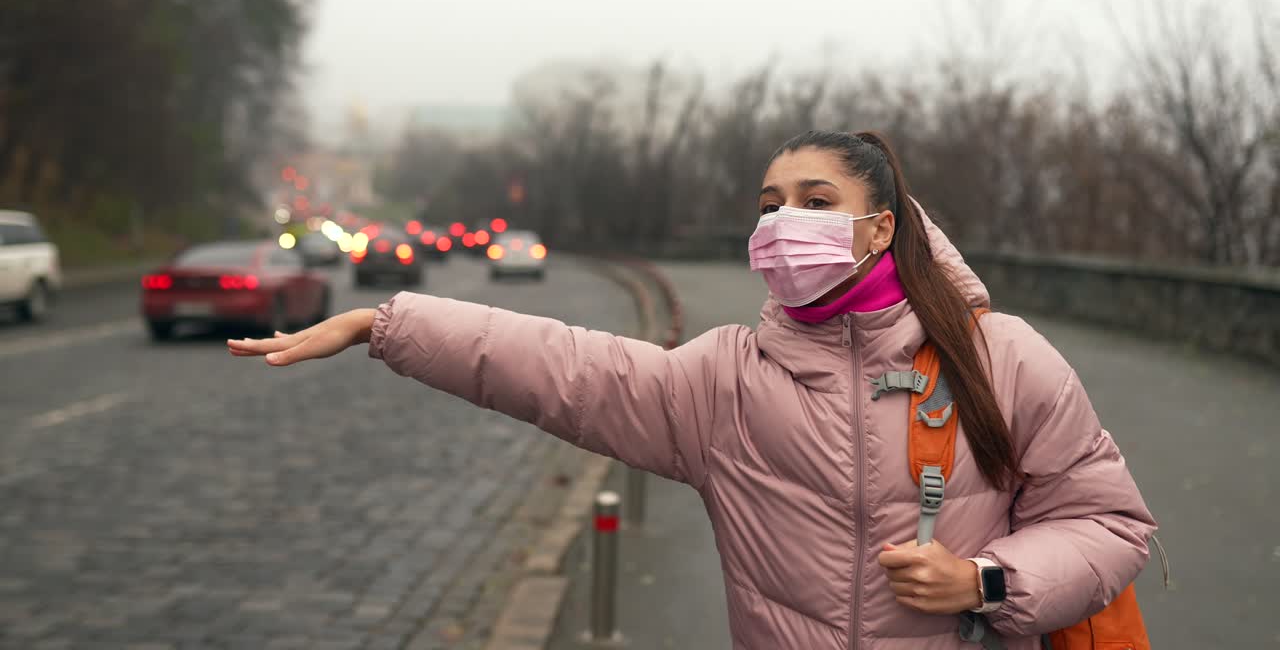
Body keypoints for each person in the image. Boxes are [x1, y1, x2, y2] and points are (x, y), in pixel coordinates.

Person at [229, 130, 1156, 649]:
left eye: (814, 200)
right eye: (768, 204)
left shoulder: (1004, 358)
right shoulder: (724, 380)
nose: (783, 220)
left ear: (880, 230)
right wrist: (385, 324)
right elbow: (565, 368)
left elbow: (1111, 524)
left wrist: (989, 581)